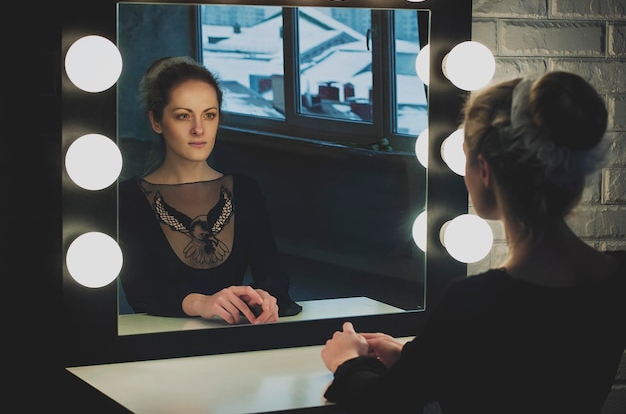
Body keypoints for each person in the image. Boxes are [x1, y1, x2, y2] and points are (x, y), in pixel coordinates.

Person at [320, 71, 626, 413]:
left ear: (484, 169)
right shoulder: (617, 278)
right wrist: (411, 358)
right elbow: (516, 370)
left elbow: (383, 404)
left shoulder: (474, 301)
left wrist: (347, 361)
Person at [118, 56, 302, 325]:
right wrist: (200, 302)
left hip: (234, 340)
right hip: (161, 350)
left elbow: (274, 281)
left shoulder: (244, 190)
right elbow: (141, 293)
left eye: (209, 115)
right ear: (156, 121)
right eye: (183, 116)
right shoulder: (128, 198)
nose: (198, 129)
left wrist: (264, 297)